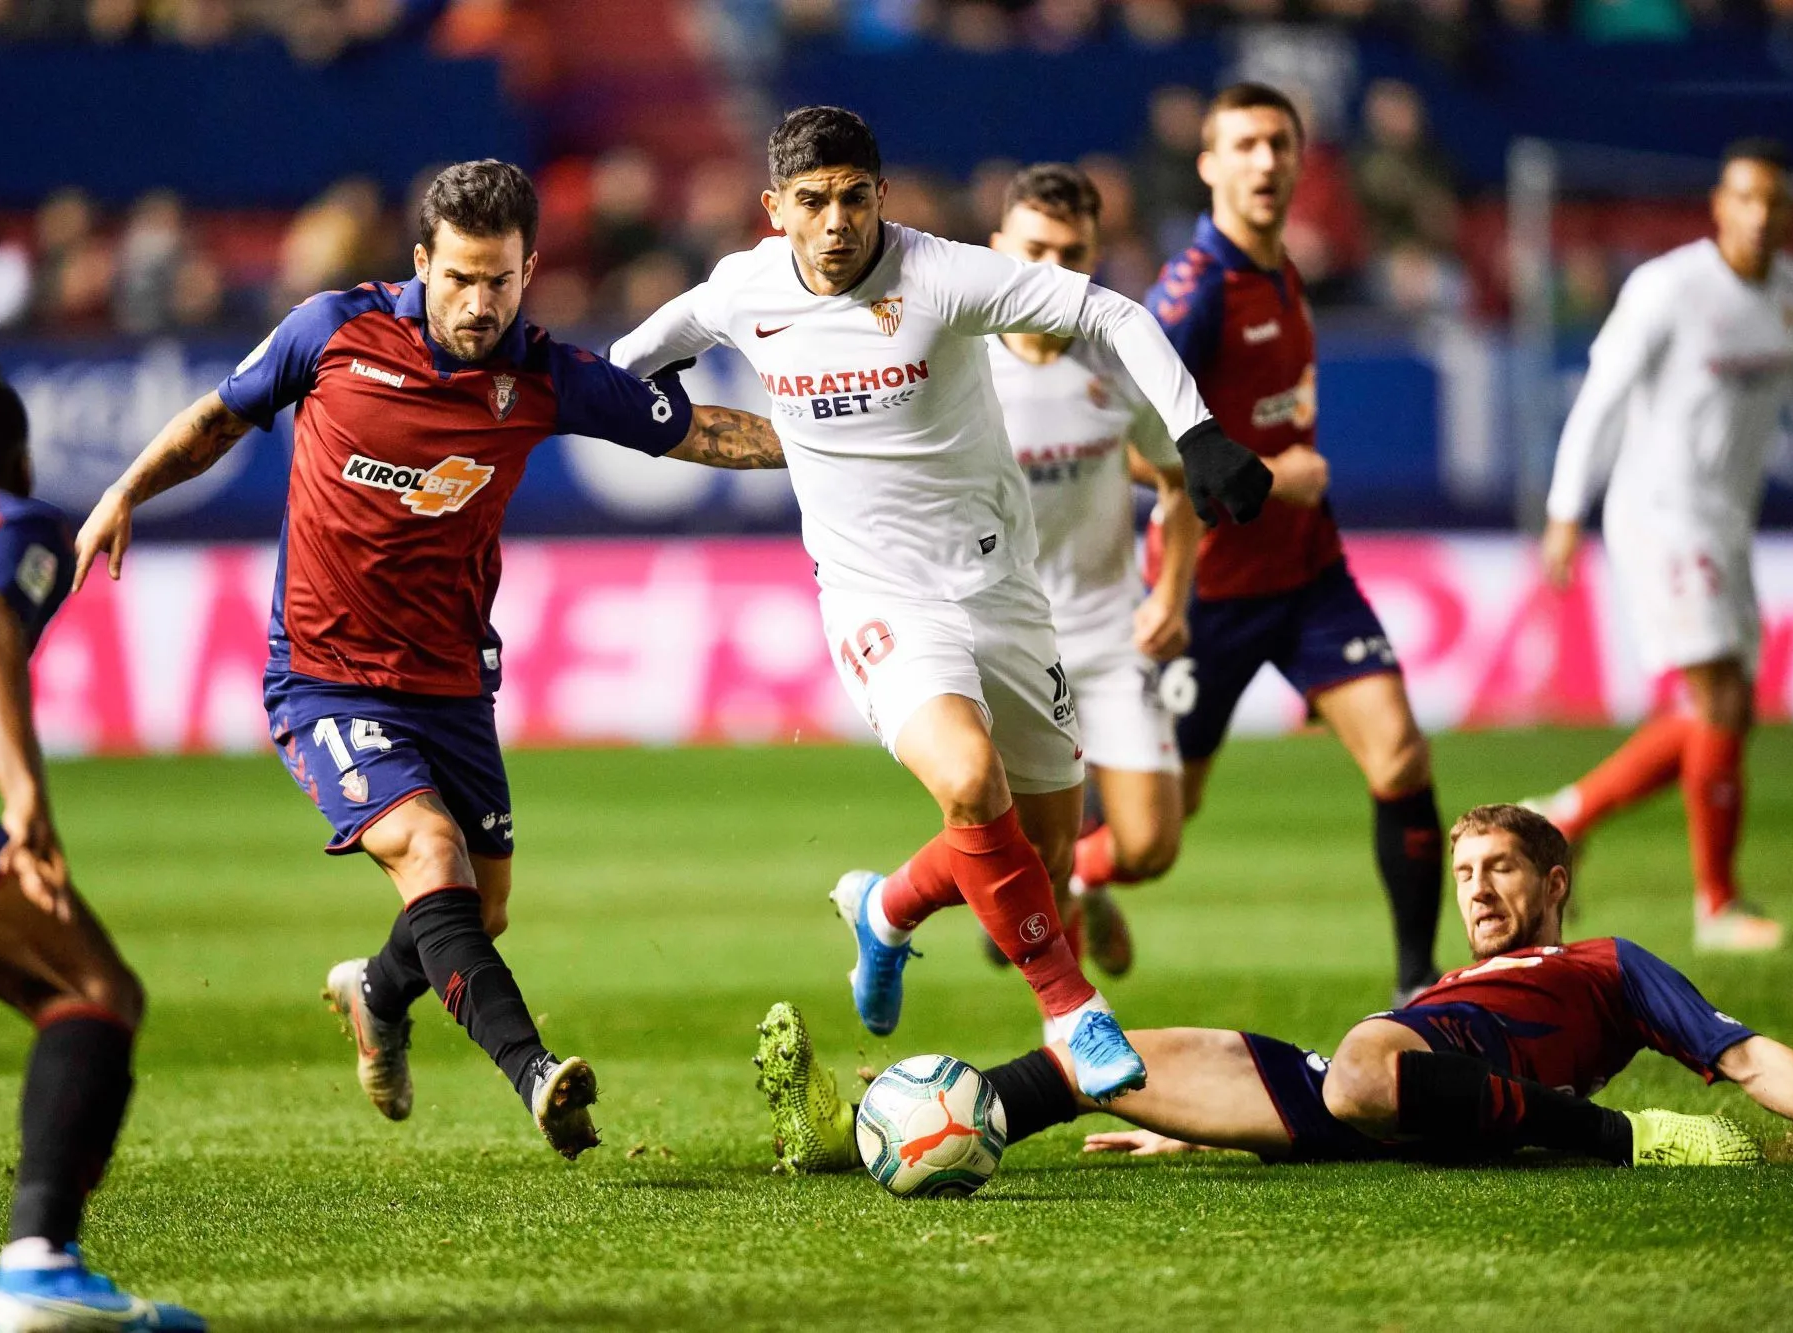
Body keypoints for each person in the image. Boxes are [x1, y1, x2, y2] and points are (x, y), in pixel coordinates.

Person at [72, 160, 786, 1160]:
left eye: (499, 280)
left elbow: (703, 429)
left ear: (529, 269)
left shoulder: (542, 375)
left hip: (449, 678)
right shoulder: (332, 332)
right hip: (323, 676)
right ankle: (536, 1073)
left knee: (477, 911)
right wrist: (124, 493)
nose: (479, 302)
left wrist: (839, 440)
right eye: (459, 277)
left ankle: (374, 988)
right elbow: (217, 417)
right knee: (429, 855)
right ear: (421, 263)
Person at [610, 106, 1322, 1101]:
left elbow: (1113, 314)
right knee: (966, 775)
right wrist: (591, 405)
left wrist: (1196, 435)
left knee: (1042, 853)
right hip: (876, 595)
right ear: (774, 209)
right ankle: (1071, 1008)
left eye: (853, 198)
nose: (834, 223)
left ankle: (884, 909)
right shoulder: (743, 289)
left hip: (1000, 587)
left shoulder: (941, 275)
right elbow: (620, 366)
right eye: (810, 202)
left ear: (880, 198)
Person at [757, 804, 1793, 1173]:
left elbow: (1744, 1053)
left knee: (1365, 1062)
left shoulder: (1603, 965)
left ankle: (1618, 1137)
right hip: (1351, 1083)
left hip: (1383, 1074)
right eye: (1460, 873)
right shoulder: (1459, 975)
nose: (1476, 889)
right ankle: (851, 1136)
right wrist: (1207, 1132)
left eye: (1496, 869)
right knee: (1110, 1062)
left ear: (1554, 878)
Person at [0, 353, 204, 1331]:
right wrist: (24, 797)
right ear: (20, 464)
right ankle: (38, 1271)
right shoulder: (10, 523)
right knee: (93, 991)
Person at [1530, 138, 1793, 953]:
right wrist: (1564, 508)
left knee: (1725, 709)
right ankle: (1716, 905)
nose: (1758, 215)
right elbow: (1602, 397)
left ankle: (1568, 812)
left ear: (1788, 213)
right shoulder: (1669, 289)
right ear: (1720, 206)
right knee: (1720, 698)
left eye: (1772, 202)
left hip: (1725, 518)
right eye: (1744, 199)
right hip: (1657, 512)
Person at [1147, 82, 1442, 1006]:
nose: (1265, 161)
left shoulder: (1284, 268)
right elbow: (1138, 445)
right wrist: (1274, 475)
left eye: (1279, 143)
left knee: (1399, 755)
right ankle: (1055, 887)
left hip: (1311, 574)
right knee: (1158, 824)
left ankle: (1416, 982)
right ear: (1209, 165)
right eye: (1243, 145)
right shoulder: (1191, 295)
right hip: (1214, 593)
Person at [983, 162, 1204, 976]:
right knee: (1016, 853)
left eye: (1072, 254)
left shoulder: (1118, 356)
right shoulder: (960, 366)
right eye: (1034, 249)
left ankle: (1075, 885)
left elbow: (1177, 479)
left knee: (1149, 845)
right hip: (1001, 641)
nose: (1052, 273)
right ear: (998, 246)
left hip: (1111, 631)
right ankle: (1070, 1020)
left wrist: (1171, 593)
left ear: (1096, 255)